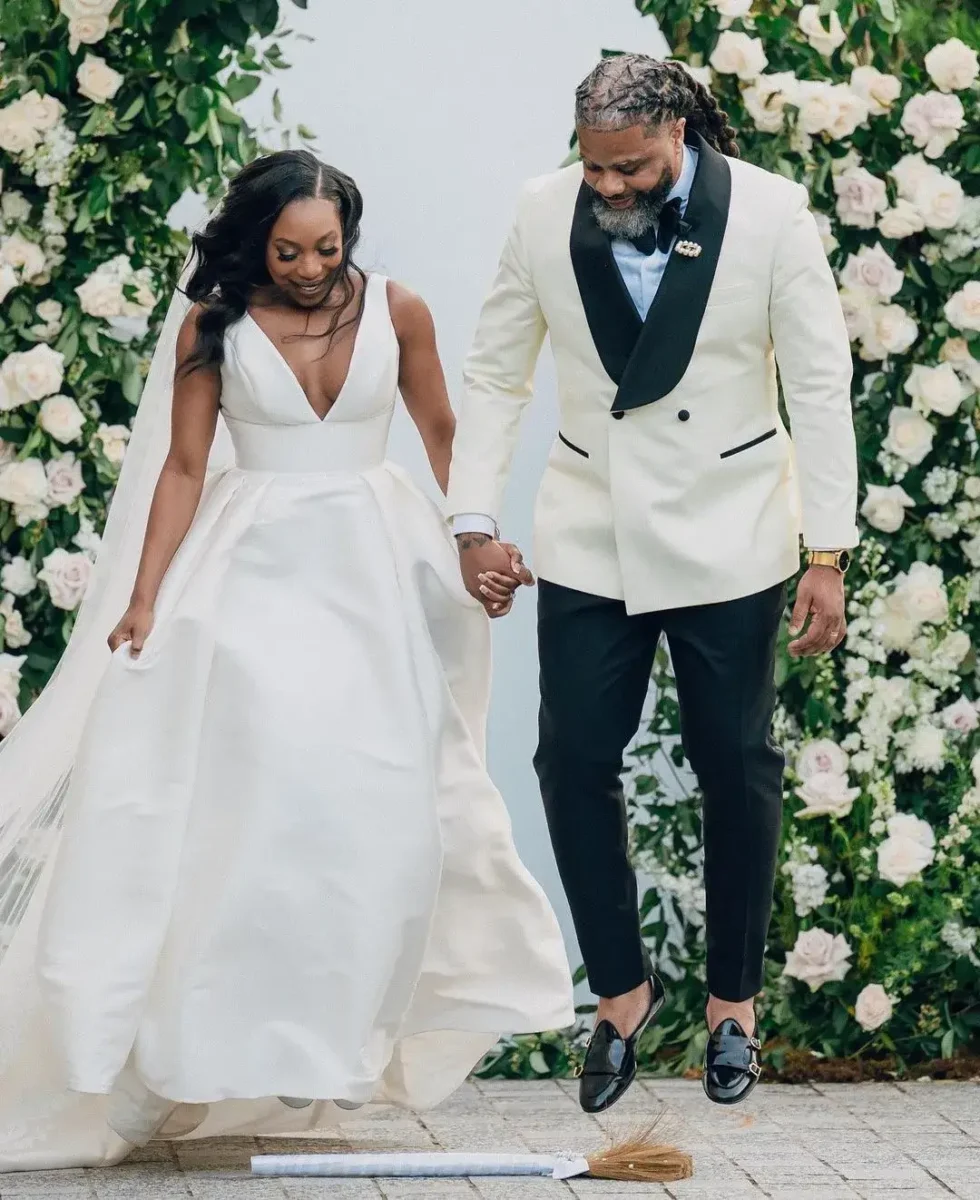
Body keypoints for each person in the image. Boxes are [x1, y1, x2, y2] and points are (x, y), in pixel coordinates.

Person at [0, 150, 573, 1171]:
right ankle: (221, 1042)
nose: (311, 269)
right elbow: (182, 467)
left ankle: (337, 1040)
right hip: (250, 573)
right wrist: (140, 599)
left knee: (382, 807)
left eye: (328, 248)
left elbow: (443, 431)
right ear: (252, 240)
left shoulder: (398, 311)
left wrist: (474, 534)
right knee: (252, 811)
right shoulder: (211, 328)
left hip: (375, 569)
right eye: (288, 251)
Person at [446, 54, 858, 1109]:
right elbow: (496, 372)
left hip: (732, 530)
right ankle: (621, 996)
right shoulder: (543, 213)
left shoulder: (769, 215)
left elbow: (815, 383)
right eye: (595, 170)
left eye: (629, 167)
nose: (611, 188)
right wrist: (473, 517)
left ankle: (732, 1009)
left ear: (676, 131)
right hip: (591, 529)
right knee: (570, 755)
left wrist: (826, 550)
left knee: (735, 762)